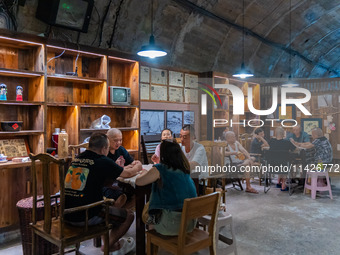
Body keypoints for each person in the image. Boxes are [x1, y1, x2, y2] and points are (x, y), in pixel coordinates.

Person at [64, 133, 136, 254]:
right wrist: (138, 166)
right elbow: (128, 174)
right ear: (103, 148)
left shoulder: (78, 158)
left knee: (112, 206)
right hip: (86, 215)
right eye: (107, 148)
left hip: (66, 213)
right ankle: (108, 245)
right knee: (129, 215)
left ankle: (109, 243)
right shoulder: (102, 160)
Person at [135, 139, 197, 236]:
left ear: (163, 154)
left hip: (173, 225)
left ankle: (152, 243)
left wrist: (143, 172)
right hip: (190, 223)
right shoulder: (184, 167)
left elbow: (139, 182)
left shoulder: (160, 168)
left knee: (148, 212)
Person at [105, 128, 142, 201]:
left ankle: (125, 211)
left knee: (136, 193)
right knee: (122, 197)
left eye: (120, 140)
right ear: (107, 139)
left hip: (121, 182)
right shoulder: (104, 152)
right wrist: (126, 168)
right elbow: (112, 172)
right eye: (115, 140)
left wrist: (123, 168)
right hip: (108, 185)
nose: (118, 143)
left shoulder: (121, 149)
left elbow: (135, 163)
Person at [268, 127, 296, 191]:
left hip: (272, 165)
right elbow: (294, 149)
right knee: (285, 163)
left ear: (275, 133)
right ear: (283, 134)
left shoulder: (271, 141)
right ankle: (283, 184)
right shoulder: (287, 142)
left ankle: (278, 182)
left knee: (280, 162)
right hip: (284, 165)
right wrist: (293, 142)